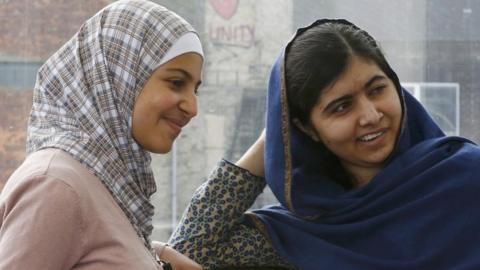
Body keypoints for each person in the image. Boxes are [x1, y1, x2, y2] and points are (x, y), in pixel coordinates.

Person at [169, 19, 480, 269]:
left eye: (377, 89)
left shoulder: (465, 180)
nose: (370, 116)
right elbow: (188, 250)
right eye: (341, 107)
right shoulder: (311, 233)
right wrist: (274, 137)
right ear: (307, 128)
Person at [0, 1, 204, 269]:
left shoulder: (106, 182)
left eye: (195, 90)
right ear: (118, 74)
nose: (192, 107)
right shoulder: (55, 185)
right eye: (176, 82)